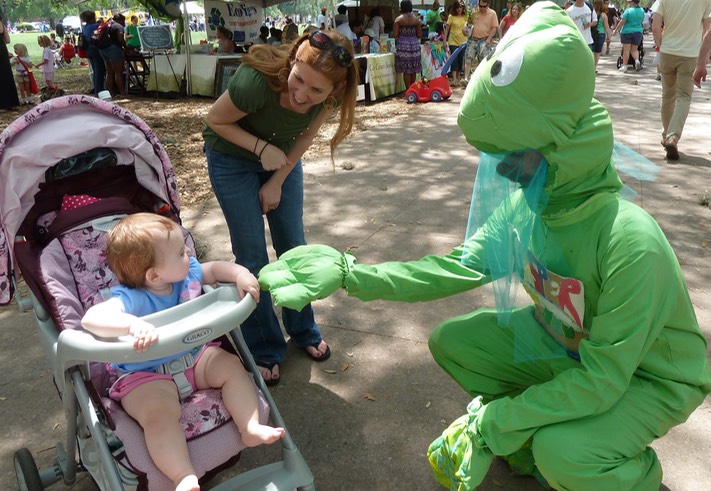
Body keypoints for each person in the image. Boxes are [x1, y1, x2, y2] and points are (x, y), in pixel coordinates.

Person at [258, 3, 711, 490]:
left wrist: (495, 422)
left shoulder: (629, 239)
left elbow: (606, 377)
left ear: (558, 148)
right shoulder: (529, 205)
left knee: (561, 456)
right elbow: (457, 267)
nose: (499, 170)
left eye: (510, 154)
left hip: (646, 377)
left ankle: (631, 471)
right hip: (566, 342)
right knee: (455, 342)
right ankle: (550, 423)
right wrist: (353, 274)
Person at [81, 213, 285, 491]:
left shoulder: (187, 274)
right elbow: (91, 319)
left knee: (232, 367)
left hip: (194, 357)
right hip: (145, 374)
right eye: (180, 252)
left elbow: (215, 269)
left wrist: (240, 275)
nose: (188, 252)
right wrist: (131, 325)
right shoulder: (129, 299)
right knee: (159, 416)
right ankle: (182, 475)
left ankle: (249, 427)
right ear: (153, 275)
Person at [202, 30, 359, 386]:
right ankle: (264, 346)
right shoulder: (256, 81)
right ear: (291, 62)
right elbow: (215, 120)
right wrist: (260, 150)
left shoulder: (328, 100)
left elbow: (304, 137)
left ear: (333, 92)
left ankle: (303, 329)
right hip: (231, 157)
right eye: (298, 79)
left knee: (294, 247)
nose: (302, 94)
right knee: (251, 255)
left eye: (316, 90)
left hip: (283, 159)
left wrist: (275, 181)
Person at [652, 0, 711, 160]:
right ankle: (673, 137)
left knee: (667, 96)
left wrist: (661, 46)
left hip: (667, 51)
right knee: (684, 97)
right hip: (691, 54)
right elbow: (708, 29)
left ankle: (666, 135)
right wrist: (705, 57)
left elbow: (656, 27)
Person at [463, 0, 499, 85]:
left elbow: (495, 28)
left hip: (484, 40)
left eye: (484, 6)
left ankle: (483, 79)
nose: (482, 8)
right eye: (480, 6)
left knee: (485, 60)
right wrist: (464, 29)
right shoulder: (474, 12)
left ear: (488, 5)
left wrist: (489, 38)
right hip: (473, 39)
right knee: (468, 58)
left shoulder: (492, 13)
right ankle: (466, 78)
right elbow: (467, 24)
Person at [393, 0, 422, 89]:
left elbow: (395, 34)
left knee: (406, 70)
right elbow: (419, 35)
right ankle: (413, 89)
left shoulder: (398, 20)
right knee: (413, 69)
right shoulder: (416, 19)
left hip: (403, 45)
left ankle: (408, 89)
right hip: (414, 44)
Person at [99, 14, 127, 98]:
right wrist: (126, 47)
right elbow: (120, 39)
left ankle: (112, 94)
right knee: (118, 72)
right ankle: (123, 93)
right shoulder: (118, 26)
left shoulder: (107, 24)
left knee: (109, 72)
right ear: (121, 20)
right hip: (114, 50)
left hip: (103, 50)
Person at [612, 0, 644, 72]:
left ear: (632, 2)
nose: (628, 3)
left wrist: (616, 30)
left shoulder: (628, 11)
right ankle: (637, 61)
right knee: (634, 49)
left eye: (629, 2)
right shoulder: (642, 11)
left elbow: (622, 21)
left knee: (626, 50)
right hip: (638, 31)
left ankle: (625, 66)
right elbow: (641, 20)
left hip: (627, 31)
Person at [80, 10, 106, 96]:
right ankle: (99, 90)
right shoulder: (95, 26)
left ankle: (96, 89)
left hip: (88, 50)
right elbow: (98, 34)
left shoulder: (85, 27)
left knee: (95, 70)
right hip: (95, 49)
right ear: (91, 18)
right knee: (100, 70)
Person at [443, 1, 468, 85]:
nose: (459, 9)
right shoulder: (451, 17)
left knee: (461, 59)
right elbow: (447, 29)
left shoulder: (466, 17)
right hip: (453, 40)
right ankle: (454, 78)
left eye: (460, 7)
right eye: (457, 8)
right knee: (454, 58)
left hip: (463, 41)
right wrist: (444, 40)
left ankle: (458, 77)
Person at [0, 8, 20, 111]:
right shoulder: (2, 25)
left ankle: (2, 104)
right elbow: (7, 40)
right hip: (2, 50)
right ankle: (12, 102)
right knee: (7, 75)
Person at [592, 0, 611, 72]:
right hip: (601, 34)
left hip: (592, 34)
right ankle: (594, 68)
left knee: (591, 51)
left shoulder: (592, 14)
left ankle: (590, 66)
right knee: (597, 52)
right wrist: (609, 37)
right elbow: (606, 27)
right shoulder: (604, 15)